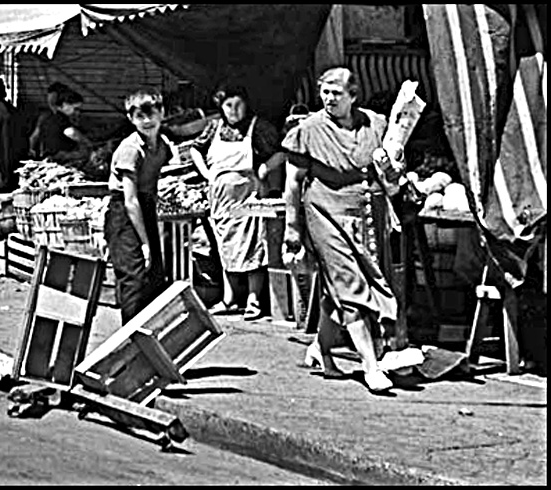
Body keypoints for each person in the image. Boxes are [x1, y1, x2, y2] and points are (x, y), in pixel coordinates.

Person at [281, 67, 405, 393]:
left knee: (336, 290)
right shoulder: (307, 129)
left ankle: (322, 350)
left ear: (353, 95)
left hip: (366, 216)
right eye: (325, 92)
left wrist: (393, 170)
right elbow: (293, 184)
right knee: (350, 286)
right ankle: (370, 366)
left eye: (337, 93)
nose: (329, 98)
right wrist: (292, 230)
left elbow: (388, 174)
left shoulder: (375, 124)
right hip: (325, 215)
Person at [190, 85, 285, 320]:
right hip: (220, 200)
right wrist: (207, 173)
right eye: (228, 105)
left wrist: (263, 169)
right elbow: (195, 149)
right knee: (226, 248)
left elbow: (283, 152)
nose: (234, 111)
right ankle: (230, 299)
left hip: (248, 196)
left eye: (238, 105)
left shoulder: (258, 127)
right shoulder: (214, 127)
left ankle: (253, 300)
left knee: (252, 247)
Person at [103, 88, 172, 325]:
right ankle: (129, 344)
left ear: (162, 113)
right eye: (140, 116)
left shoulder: (163, 144)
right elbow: (130, 201)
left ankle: (150, 342)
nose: (147, 121)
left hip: (148, 208)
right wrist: (145, 243)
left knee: (155, 277)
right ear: (131, 119)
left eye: (151, 114)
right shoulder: (130, 150)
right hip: (124, 214)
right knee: (134, 277)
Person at [36, 88, 92, 160]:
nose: (77, 112)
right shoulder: (60, 118)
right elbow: (70, 132)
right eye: (75, 108)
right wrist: (86, 141)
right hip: (59, 154)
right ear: (65, 104)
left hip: (47, 153)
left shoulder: (47, 116)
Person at [28, 82, 70, 158]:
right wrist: (31, 148)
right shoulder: (44, 116)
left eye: (54, 97)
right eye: (50, 97)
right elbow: (35, 135)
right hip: (47, 156)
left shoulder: (68, 115)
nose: (51, 100)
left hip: (65, 157)